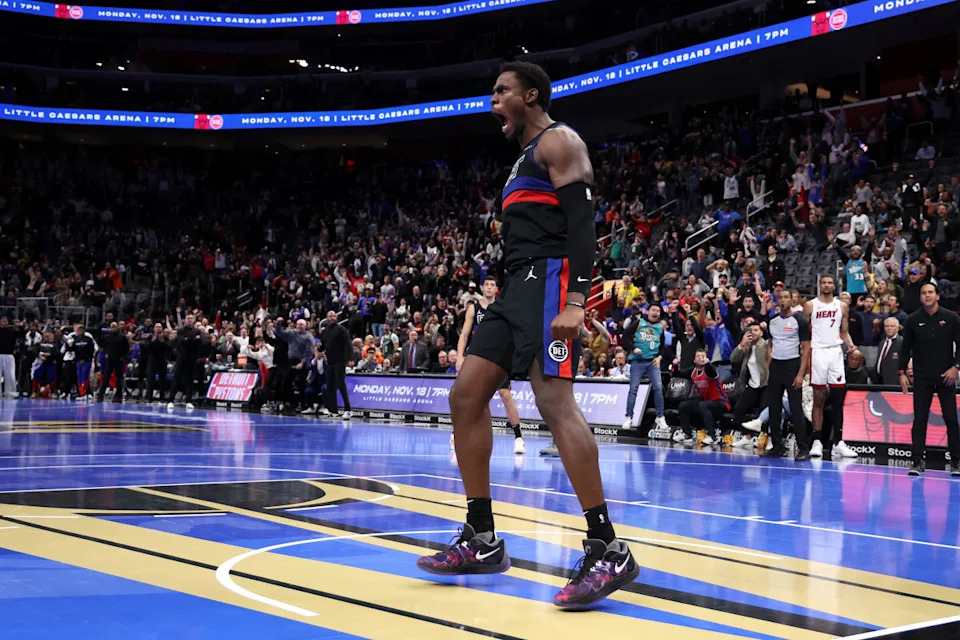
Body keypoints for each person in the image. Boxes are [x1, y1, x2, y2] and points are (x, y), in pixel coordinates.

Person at [416, 61, 638, 608]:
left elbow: (584, 226)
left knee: (554, 403)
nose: (492, 99)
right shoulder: (520, 161)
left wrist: (577, 301)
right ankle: (482, 538)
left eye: (501, 91)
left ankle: (608, 547)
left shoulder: (559, 141)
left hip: (550, 283)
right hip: (514, 290)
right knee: (465, 395)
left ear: (529, 94)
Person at [456, 275, 526, 454]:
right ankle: (456, 435)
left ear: (496, 288)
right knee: (468, 397)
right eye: (486, 284)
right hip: (477, 355)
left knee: (505, 394)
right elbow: (464, 335)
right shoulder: (474, 308)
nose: (489, 287)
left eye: (492, 285)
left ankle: (518, 438)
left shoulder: (503, 308)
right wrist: (459, 357)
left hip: (498, 356)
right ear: (482, 288)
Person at [899, 283, 960, 477]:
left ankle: (957, 462)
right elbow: (905, 348)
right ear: (920, 297)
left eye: (930, 292)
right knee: (920, 419)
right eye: (923, 293)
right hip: (922, 376)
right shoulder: (912, 319)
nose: (927, 296)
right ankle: (917, 461)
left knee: (951, 419)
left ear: (938, 296)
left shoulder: (951, 318)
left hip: (946, 376)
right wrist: (901, 372)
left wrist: (956, 368)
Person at [803, 275, 858, 459]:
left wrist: (851, 345)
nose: (827, 285)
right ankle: (817, 441)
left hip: (835, 352)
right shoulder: (810, 305)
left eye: (830, 283)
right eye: (824, 283)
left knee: (837, 399)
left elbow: (844, 331)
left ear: (834, 285)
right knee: (818, 398)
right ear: (819, 285)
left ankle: (839, 442)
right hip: (817, 351)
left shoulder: (841, 306)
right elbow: (803, 332)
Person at [764, 289, 811, 459]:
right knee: (774, 409)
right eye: (780, 298)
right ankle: (777, 446)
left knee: (796, 409)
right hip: (776, 366)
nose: (783, 300)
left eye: (786, 298)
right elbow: (770, 345)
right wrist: (769, 368)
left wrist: (800, 374)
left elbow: (806, 349)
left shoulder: (800, 320)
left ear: (792, 300)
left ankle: (803, 448)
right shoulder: (773, 321)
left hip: (792, 365)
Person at [621, 304, 669, 432]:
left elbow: (663, 347)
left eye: (658, 311)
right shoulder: (638, 323)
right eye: (653, 310)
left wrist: (659, 357)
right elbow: (624, 338)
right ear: (648, 311)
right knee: (633, 389)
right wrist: (632, 348)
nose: (655, 312)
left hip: (652, 362)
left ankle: (660, 416)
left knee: (658, 388)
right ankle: (629, 417)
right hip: (637, 362)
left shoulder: (660, 328)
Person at [674, 348, 730, 445]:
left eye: (703, 356)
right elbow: (677, 374)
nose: (701, 358)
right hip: (706, 402)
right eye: (698, 356)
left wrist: (708, 363)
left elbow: (711, 371)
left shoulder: (710, 370)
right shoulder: (693, 372)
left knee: (703, 405)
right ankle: (687, 434)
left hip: (721, 402)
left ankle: (711, 436)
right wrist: (675, 365)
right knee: (684, 405)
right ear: (694, 360)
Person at [320, 310, 352, 418]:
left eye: (334, 316)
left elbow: (348, 344)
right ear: (327, 318)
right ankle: (333, 410)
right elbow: (324, 345)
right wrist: (319, 349)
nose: (333, 317)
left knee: (341, 384)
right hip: (330, 361)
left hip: (340, 360)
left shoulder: (341, 329)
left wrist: (349, 358)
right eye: (330, 316)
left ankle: (348, 409)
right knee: (330, 385)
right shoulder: (325, 331)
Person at [874, 318, 904, 385]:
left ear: (897, 328)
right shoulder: (881, 343)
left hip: (894, 382)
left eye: (892, 326)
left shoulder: (902, 342)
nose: (889, 328)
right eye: (887, 326)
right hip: (879, 381)